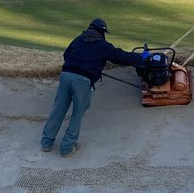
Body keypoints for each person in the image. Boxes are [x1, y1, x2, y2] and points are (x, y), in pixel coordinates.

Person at [41, 18, 141, 157]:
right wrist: (142, 57)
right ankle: (67, 147)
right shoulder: (103, 45)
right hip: (82, 81)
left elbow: (66, 55)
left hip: (66, 76)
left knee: (58, 109)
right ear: (102, 32)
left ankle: (46, 142)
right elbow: (121, 57)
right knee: (77, 113)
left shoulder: (78, 39)